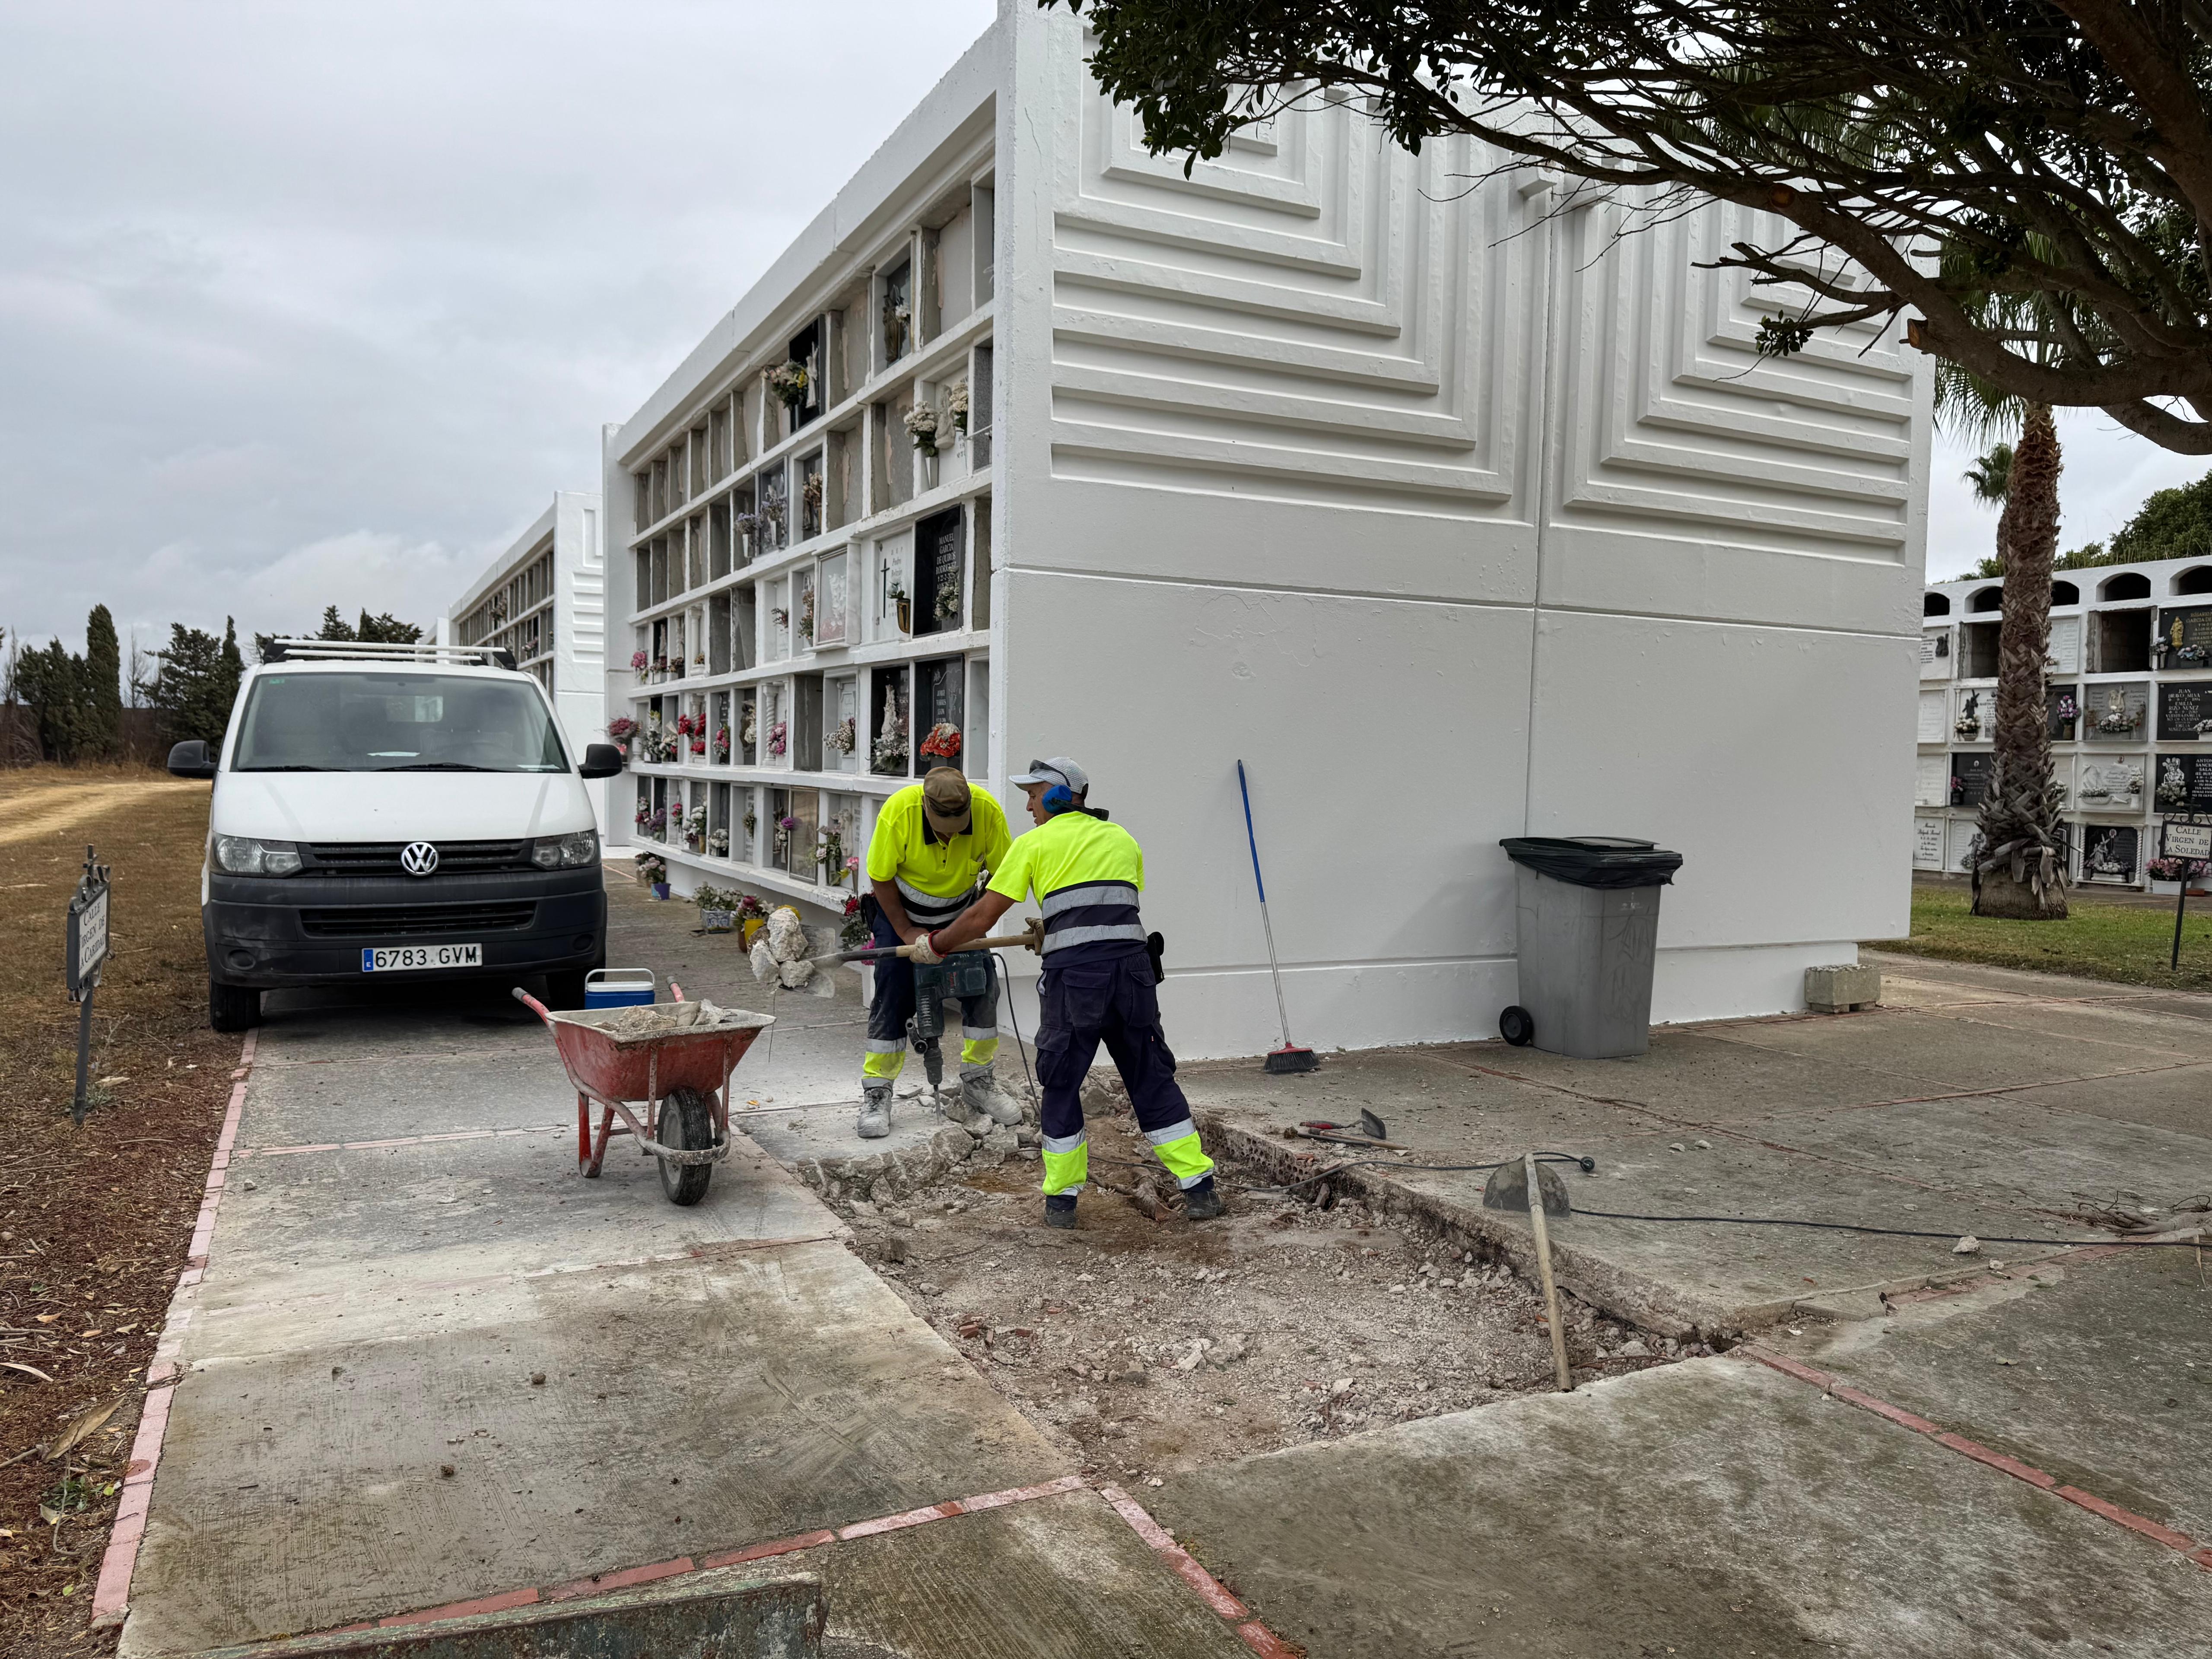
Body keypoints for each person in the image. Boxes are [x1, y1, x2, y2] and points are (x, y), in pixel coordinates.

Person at [921, 757, 1223, 1227]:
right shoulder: (1122, 837)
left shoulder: (1034, 843)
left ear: (1063, 796)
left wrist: (935, 946)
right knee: (1150, 1077)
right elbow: (1104, 905)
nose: (1027, 806)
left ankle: (1061, 1204)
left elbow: (983, 917)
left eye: (1034, 795)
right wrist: (1055, 927)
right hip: (1133, 976)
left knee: (1061, 1082)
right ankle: (1200, 1189)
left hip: (1076, 983)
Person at [856, 766, 1023, 1140]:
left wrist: (972, 922)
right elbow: (881, 877)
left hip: (959, 916)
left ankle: (978, 1081)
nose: (952, 830)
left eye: (959, 822)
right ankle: (878, 1090)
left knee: (982, 989)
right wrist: (907, 932)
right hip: (901, 912)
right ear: (926, 808)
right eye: (942, 823)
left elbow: (1005, 876)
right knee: (894, 994)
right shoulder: (900, 811)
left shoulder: (988, 812)